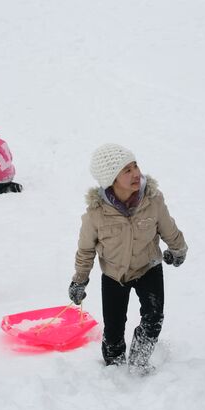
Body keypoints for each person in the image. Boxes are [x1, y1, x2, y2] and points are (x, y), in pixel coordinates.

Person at [69, 143, 188, 373]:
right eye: (127, 170)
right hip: (114, 275)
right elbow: (85, 250)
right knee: (113, 330)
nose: (136, 173)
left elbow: (167, 227)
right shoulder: (96, 214)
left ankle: (138, 361)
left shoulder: (152, 200)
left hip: (148, 267)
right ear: (111, 179)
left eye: (135, 166)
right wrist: (79, 279)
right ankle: (114, 368)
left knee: (153, 318)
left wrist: (178, 249)